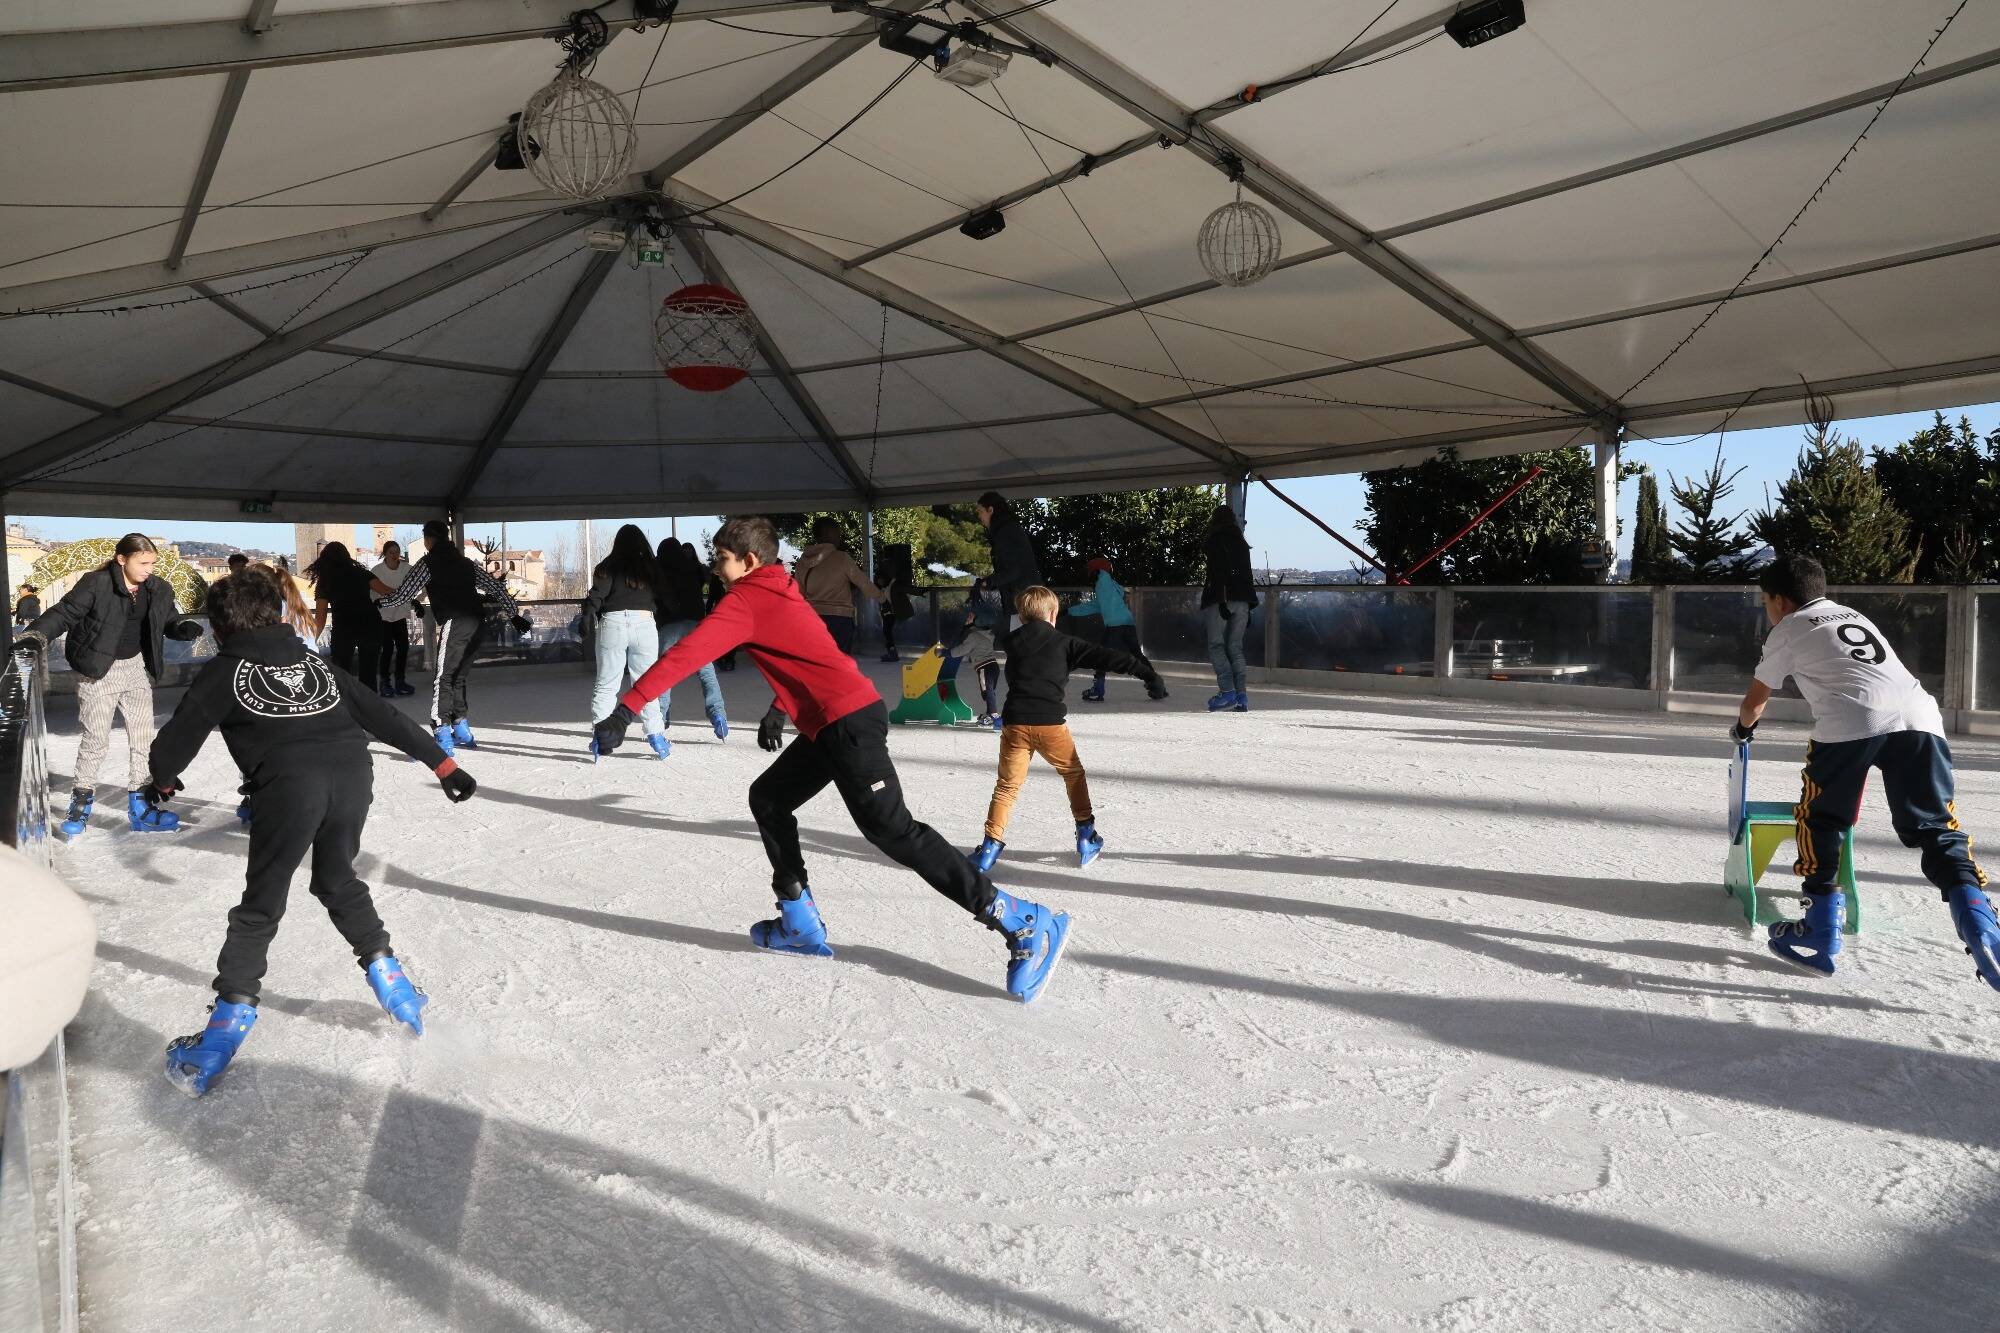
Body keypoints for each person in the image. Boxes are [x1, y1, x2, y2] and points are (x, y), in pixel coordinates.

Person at [592, 516, 1071, 1003]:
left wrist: (626, 709)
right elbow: (807, 649)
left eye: (721, 558)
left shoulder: (749, 596)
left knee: (894, 832)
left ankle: (1021, 919)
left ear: (750, 561)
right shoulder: (778, 584)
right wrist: (781, 708)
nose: (715, 567)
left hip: (848, 723)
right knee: (770, 798)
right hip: (832, 720)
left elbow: (687, 654)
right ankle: (798, 916)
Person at [143, 567, 477, 1095]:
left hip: (287, 788)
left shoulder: (226, 669)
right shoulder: (313, 662)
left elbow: (177, 737)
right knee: (338, 879)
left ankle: (218, 1039)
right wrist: (443, 765)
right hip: (351, 776)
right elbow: (381, 713)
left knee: (261, 905)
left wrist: (160, 783)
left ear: (221, 627)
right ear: (277, 614)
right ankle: (397, 989)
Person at [1735, 552, 1997, 986]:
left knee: (1821, 817)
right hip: (1920, 718)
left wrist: (1742, 733)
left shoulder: (1787, 630)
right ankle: (1978, 914)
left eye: (1766, 601)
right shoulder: (1853, 615)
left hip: (1851, 722)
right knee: (1934, 826)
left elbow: (1754, 703)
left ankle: (1819, 930)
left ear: (1779, 601)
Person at [16, 534, 204, 838]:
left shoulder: (157, 589)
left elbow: (168, 621)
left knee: (143, 739)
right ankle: (81, 800)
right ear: (122, 560)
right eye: (142, 563)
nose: (148, 569)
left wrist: (182, 629)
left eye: (152, 563)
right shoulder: (96, 583)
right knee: (96, 739)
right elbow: (64, 613)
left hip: (136, 669)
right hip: (97, 670)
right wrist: (37, 635)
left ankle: (141, 805)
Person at [969, 586, 1163, 876]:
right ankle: (1086, 835)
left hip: (1015, 724)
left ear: (1022, 617)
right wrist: (1147, 672)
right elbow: (1109, 657)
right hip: (1051, 726)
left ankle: (988, 849)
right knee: (1073, 775)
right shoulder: (1065, 644)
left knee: (1007, 787)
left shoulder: (1012, 642)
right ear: (1053, 613)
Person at [376, 520, 529, 756]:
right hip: (477, 624)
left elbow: (404, 594)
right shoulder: (466, 563)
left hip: (454, 622)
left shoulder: (428, 564)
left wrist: (380, 602)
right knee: (458, 677)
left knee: (443, 678)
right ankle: (462, 729)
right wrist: (514, 615)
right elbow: (496, 587)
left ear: (428, 539)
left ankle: (442, 734)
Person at [583, 526, 670, 760]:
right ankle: (656, 737)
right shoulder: (651, 567)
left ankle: (600, 739)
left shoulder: (607, 566)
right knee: (646, 683)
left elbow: (596, 596)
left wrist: (588, 615)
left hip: (612, 623)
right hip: (644, 623)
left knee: (607, 684)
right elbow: (664, 596)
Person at [655, 537, 729, 740]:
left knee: (664, 675)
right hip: (696, 625)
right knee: (706, 672)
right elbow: (709, 574)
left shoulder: (658, 571)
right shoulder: (692, 568)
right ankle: (718, 715)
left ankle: (661, 717)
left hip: (669, 627)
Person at [1067, 556, 1168, 703]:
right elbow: (1094, 606)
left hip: (1115, 626)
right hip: (1128, 624)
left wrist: (1099, 572)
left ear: (1096, 572)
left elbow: (1102, 576)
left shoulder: (1103, 581)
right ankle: (1157, 686)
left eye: (1091, 573)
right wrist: (1070, 611)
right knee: (1137, 655)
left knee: (1101, 656)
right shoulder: (1111, 588)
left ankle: (1098, 689)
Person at [306, 541, 392, 693]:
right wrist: (411, 595)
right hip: (371, 624)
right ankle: (370, 709)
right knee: (369, 674)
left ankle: (346, 709)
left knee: (341, 674)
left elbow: (320, 619)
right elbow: (387, 591)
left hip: (344, 629)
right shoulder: (363, 574)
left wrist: (309, 643)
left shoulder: (325, 581)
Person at [794, 517, 884, 655]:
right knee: (839, 665)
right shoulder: (842, 558)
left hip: (812, 618)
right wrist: (882, 597)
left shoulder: (803, 561)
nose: (839, 536)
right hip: (839, 619)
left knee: (817, 662)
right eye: (837, 532)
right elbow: (863, 583)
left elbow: (798, 592)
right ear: (827, 533)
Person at [1200, 504, 1258, 712]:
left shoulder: (1215, 540)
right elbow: (1247, 575)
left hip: (1221, 599)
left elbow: (1218, 572)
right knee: (1235, 647)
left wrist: (1222, 601)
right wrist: (1249, 606)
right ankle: (1241, 695)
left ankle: (1227, 692)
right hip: (1243, 600)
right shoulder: (1242, 543)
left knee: (1216, 645)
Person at [975, 491, 1042, 630]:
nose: (979, 516)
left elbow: (1014, 569)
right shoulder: (1008, 530)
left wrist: (988, 582)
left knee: (1024, 647)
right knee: (1025, 646)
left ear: (991, 510)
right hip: (1026, 600)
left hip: (1024, 602)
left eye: (980, 511)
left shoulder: (1005, 532)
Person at [952, 583, 1006, 731]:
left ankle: (994, 716)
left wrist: (947, 653)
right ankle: (990, 713)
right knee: (989, 691)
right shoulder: (987, 635)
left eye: (971, 617)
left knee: (987, 691)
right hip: (993, 666)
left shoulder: (974, 636)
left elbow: (962, 648)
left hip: (984, 667)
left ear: (979, 621)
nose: (967, 618)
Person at [372, 540, 418, 697]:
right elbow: (372, 593)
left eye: (397, 551)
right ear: (385, 553)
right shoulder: (377, 571)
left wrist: (415, 602)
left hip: (400, 615)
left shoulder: (407, 569)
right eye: (391, 552)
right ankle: (385, 682)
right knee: (387, 650)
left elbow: (417, 585)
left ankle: (400, 681)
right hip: (383, 616)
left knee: (403, 649)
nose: (394, 555)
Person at [877, 541, 915, 663]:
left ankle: (892, 653)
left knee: (887, 631)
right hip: (890, 609)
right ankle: (892, 652)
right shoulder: (893, 582)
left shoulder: (895, 583)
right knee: (887, 631)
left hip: (891, 611)